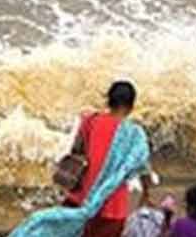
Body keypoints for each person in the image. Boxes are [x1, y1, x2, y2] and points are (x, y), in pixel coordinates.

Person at [10, 80, 150, 237]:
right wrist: (146, 194)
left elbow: (76, 153)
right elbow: (143, 166)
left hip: (80, 199)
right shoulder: (135, 134)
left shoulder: (90, 121)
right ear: (131, 105)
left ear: (108, 100)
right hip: (112, 209)